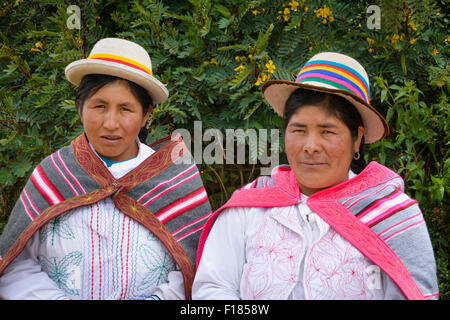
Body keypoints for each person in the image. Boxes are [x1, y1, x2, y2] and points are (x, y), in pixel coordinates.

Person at [193, 52, 439, 300]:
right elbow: (214, 287)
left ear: (358, 139)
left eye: (327, 132)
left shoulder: (391, 217)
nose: (310, 146)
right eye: (298, 130)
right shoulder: (251, 206)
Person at [0, 38, 212, 300]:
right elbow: (15, 263)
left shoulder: (174, 179)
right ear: (80, 108)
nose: (111, 123)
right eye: (99, 106)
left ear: (146, 115)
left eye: (125, 109)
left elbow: (196, 266)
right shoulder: (55, 174)